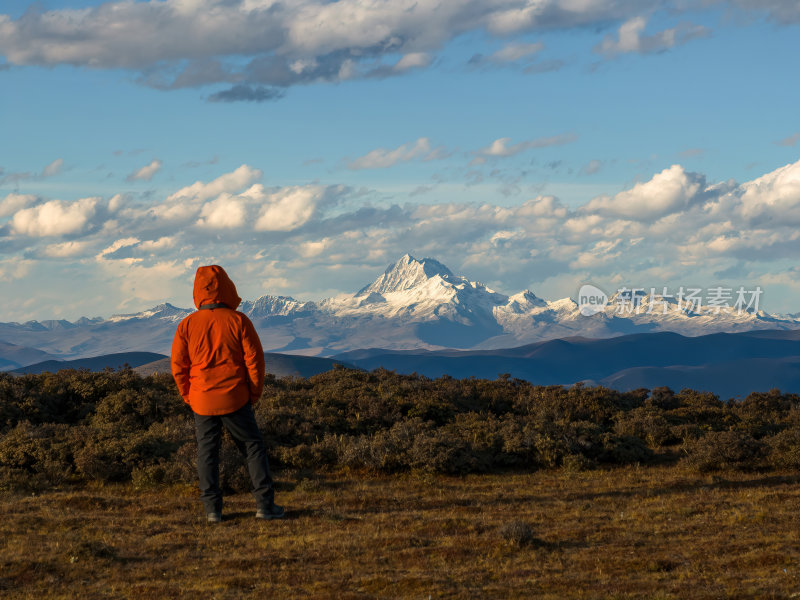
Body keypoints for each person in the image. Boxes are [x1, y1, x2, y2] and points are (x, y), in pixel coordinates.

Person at [171, 265, 284, 523]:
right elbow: (255, 360)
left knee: (207, 453)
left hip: (201, 400)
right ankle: (265, 506)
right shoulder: (239, 321)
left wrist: (188, 395)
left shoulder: (187, 324)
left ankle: (212, 510)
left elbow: (178, 366)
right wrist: (253, 393)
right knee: (253, 447)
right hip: (236, 397)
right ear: (228, 288)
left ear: (198, 291)